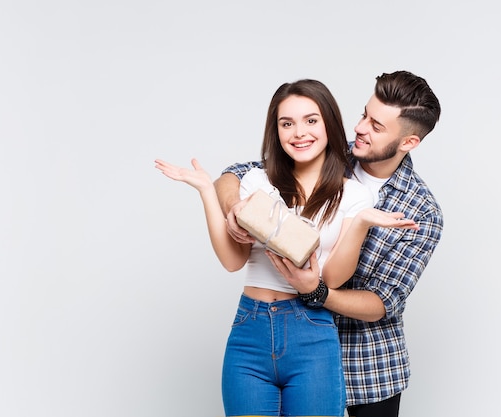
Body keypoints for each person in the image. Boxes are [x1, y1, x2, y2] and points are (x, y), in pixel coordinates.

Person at [154, 79, 417, 417]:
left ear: (329, 125)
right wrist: (207, 191)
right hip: (250, 330)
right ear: (275, 131)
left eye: (311, 120)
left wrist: (361, 223)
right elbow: (233, 261)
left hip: (311, 333)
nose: (299, 132)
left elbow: (333, 277)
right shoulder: (256, 182)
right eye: (286, 123)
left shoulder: (355, 196)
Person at [214, 70, 443, 417]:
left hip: (366, 364)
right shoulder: (324, 151)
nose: (361, 128)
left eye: (377, 126)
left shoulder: (421, 211)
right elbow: (236, 173)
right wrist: (236, 209)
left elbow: (384, 301)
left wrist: (316, 292)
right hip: (280, 336)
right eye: (365, 114)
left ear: (408, 142)